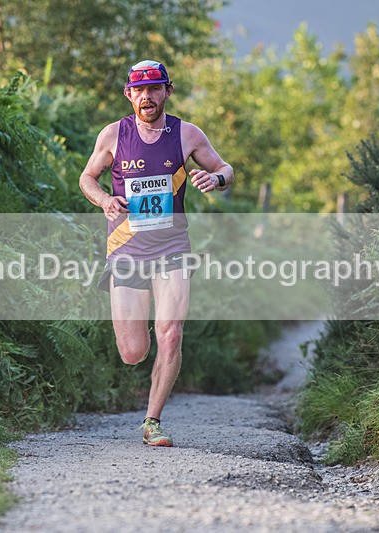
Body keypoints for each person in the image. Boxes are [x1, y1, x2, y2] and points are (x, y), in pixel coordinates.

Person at [79, 60, 233, 447]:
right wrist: (103, 200)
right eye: (139, 90)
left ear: (167, 90)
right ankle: (138, 334)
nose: (146, 96)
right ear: (129, 94)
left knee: (171, 332)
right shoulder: (114, 134)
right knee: (133, 352)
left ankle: (152, 421)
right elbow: (87, 177)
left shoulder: (187, 134)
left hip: (172, 247)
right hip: (126, 248)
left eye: (154, 88)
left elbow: (226, 168)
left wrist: (214, 179)